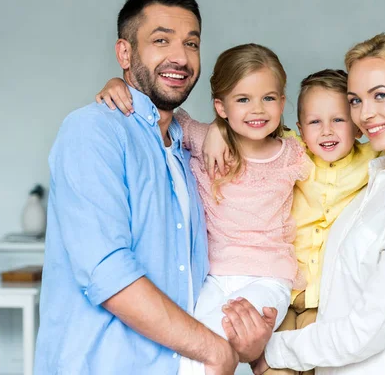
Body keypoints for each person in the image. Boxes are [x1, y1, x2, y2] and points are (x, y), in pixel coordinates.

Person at [99, 65, 385, 375]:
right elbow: (190, 122)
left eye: (339, 120)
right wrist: (218, 127)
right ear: (299, 127)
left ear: (357, 127)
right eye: (315, 122)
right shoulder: (297, 152)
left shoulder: (368, 159)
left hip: (324, 301)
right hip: (282, 290)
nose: (326, 131)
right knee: (225, 349)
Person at [220, 33, 385, 375]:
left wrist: (267, 349)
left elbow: (365, 331)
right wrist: (217, 129)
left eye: (381, 96)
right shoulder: (378, 181)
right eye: (356, 100)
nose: (366, 114)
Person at [34, 0, 239, 375]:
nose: (180, 57)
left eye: (191, 43)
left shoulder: (187, 146)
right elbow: (107, 272)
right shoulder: (92, 131)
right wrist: (213, 350)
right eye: (161, 40)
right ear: (124, 53)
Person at [97, 43, 312, 375]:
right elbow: (157, 110)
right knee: (190, 356)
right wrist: (118, 85)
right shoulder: (200, 139)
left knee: (220, 346)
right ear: (221, 107)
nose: (257, 109)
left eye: (268, 98)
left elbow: (347, 145)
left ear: (282, 102)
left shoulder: (294, 153)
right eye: (243, 99)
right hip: (213, 278)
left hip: (268, 278)